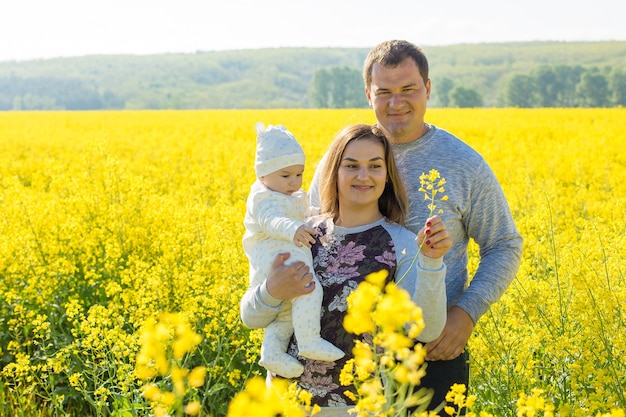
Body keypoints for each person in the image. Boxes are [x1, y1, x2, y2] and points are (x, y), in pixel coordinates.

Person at [309, 40, 524, 411]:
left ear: (427, 88)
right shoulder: (342, 160)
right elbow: (311, 237)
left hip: (432, 351)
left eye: (408, 89)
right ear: (368, 94)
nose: (397, 103)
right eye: (384, 92)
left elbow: (504, 243)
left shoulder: (463, 163)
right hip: (342, 358)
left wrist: (466, 313)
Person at [241, 123, 452, 415]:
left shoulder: (399, 243)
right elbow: (251, 317)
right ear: (334, 172)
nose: (363, 176)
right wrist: (271, 290)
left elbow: (426, 331)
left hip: (356, 408)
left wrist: (431, 261)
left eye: (375, 166)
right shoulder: (303, 233)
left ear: (387, 175)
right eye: (351, 165)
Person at [242, 122, 344, 379]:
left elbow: (301, 213)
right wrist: (294, 230)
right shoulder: (263, 197)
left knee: (286, 313)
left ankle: (272, 354)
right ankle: (309, 340)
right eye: (286, 175)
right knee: (309, 288)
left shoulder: (288, 194)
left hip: (283, 252)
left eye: (298, 175)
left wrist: (319, 215)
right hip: (275, 256)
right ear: (263, 175)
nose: (294, 182)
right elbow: (271, 220)